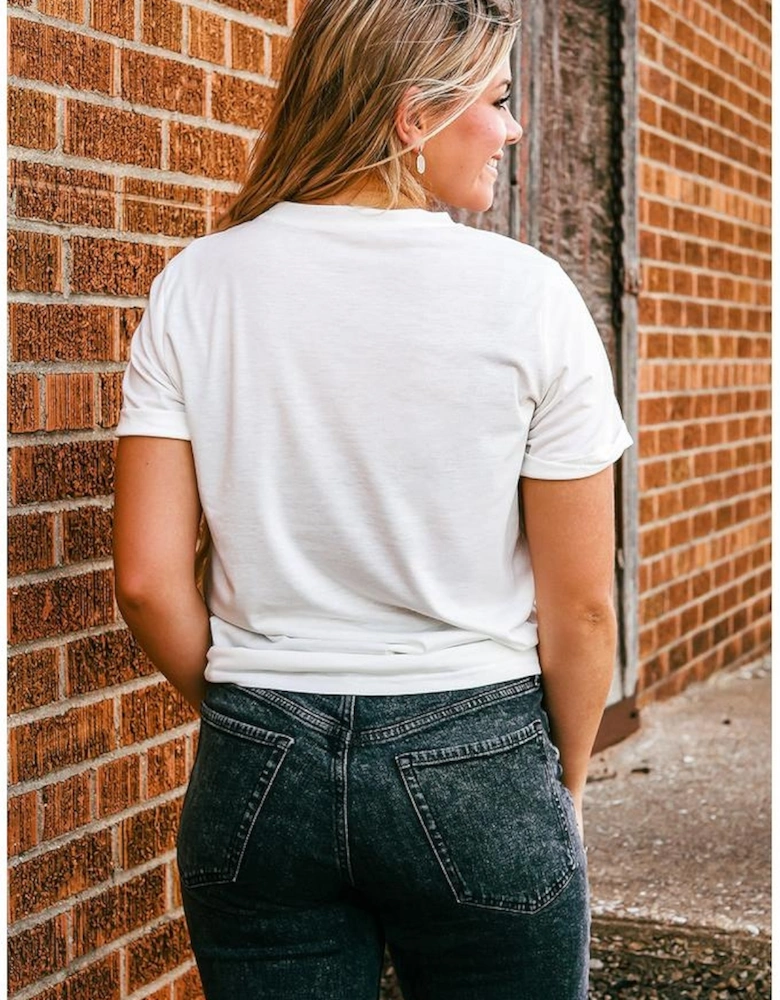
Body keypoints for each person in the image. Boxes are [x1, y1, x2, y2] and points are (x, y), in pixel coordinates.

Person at [112, 1, 633, 997]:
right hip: (477, 752)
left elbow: (145, 578)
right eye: (498, 101)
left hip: (258, 762)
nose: (513, 129)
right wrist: (552, 788)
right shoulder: (529, 296)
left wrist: (256, 720)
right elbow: (583, 608)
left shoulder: (197, 284)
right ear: (411, 117)